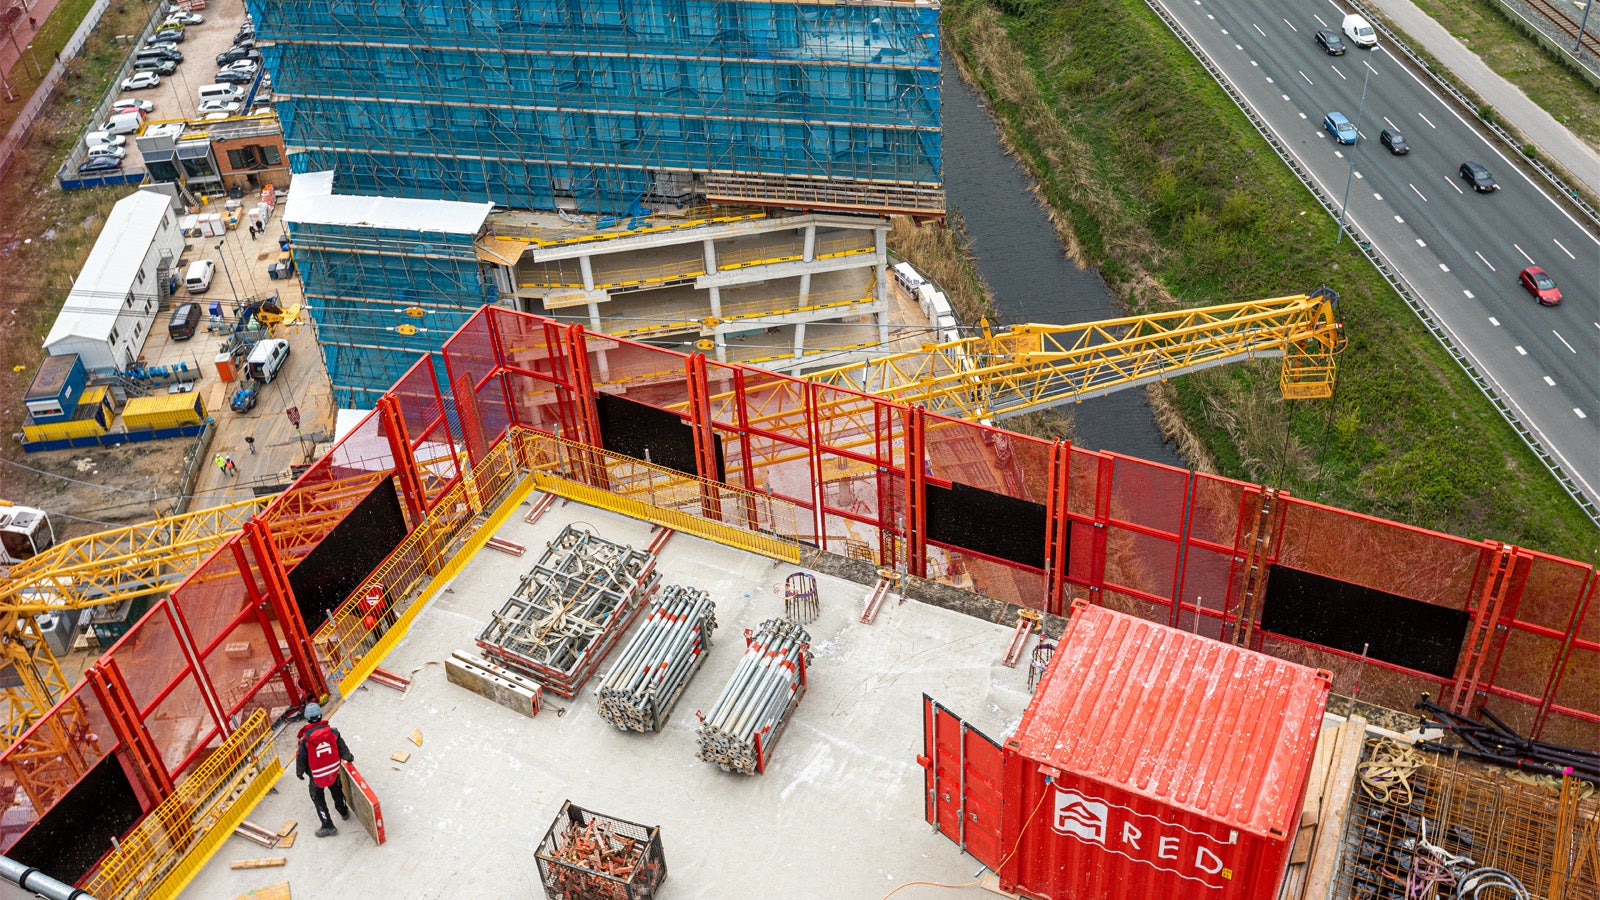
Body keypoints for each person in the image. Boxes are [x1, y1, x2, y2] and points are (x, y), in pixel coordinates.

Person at [296, 702, 354, 837]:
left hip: (317, 775)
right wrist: (349, 758)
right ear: (321, 716)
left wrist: (300, 773)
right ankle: (343, 811)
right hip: (333, 771)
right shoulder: (333, 732)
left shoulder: (305, 741)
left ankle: (328, 825)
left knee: (317, 798)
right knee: (337, 790)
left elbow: (301, 760)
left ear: (307, 719)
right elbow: (343, 750)